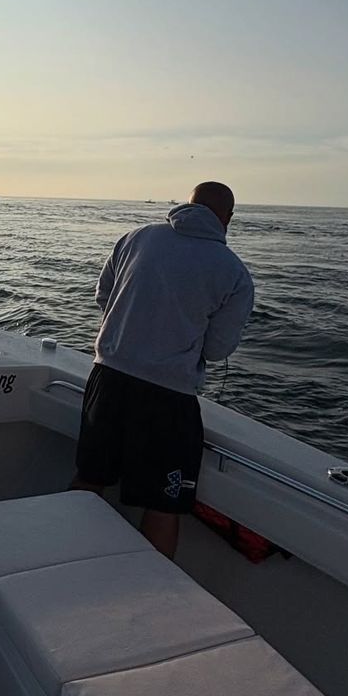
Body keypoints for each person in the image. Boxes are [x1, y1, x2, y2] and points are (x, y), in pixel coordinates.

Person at [71, 181, 254, 559]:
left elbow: (103, 296)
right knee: (163, 505)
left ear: (186, 206)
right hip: (168, 400)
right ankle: (149, 600)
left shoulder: (136, 238)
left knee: (90, 477)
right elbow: (218, 349)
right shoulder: (234, 273)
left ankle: (59, 558)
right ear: (228, 219)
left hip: (108, 379)